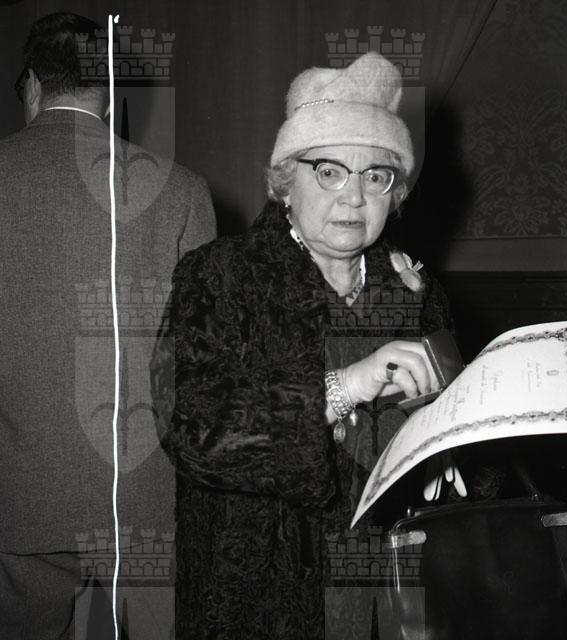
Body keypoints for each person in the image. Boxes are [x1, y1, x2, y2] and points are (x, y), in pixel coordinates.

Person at [152, 52, 453, 639]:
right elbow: (192, 428)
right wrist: (344, 387)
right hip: (260, 587)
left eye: (376, 176)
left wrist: (448, 457)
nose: (354, 197)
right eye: (330, 171)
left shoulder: (415, 289)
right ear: (287, 181)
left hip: (390, 583)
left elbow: (447, 422)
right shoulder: (221, 276)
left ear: (394, 192)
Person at [0, 12, 216, 639]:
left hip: (17, 494)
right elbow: (204, 362)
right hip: (148, 498)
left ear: (33, 84)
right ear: (113, 95)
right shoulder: (184, 191)